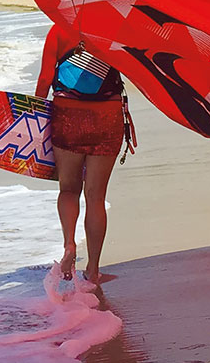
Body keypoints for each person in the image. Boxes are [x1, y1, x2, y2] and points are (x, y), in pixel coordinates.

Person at [35, 24, 135, 285]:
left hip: (67, 114)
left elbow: (46, 78)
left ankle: (69, 244)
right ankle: (93, 268)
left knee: (68, 189)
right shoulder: (113, 26)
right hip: (107, 116)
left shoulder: (59, 30)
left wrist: (35, 117)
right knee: (96, 196)